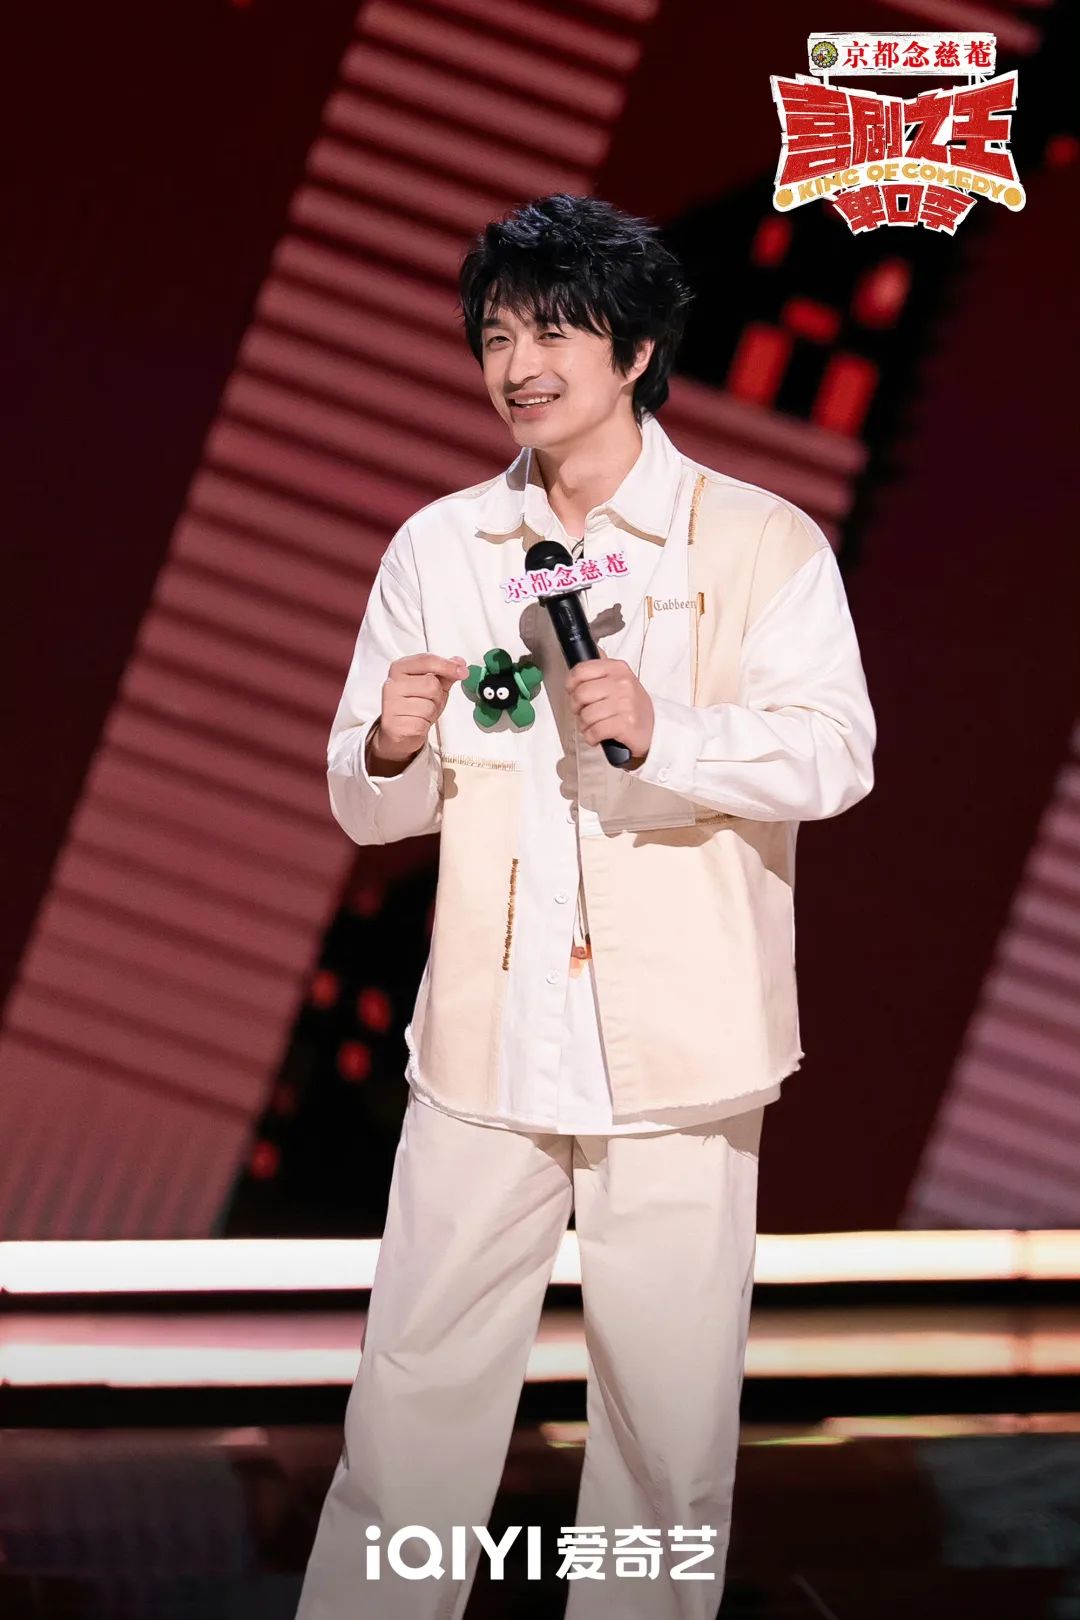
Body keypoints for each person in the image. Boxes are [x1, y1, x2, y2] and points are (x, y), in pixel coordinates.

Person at [295, 193, 876, 1619]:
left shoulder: (758, 541)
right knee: (411, 1400)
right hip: (487, 1042)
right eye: (499, 336)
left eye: (555, 332)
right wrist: (388, 745)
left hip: (682, 1049)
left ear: (635, 351)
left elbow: (835, 755)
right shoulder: (443, 545)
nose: (521, 365)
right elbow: (369, 803)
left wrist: (669, 730)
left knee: (666, 1430)